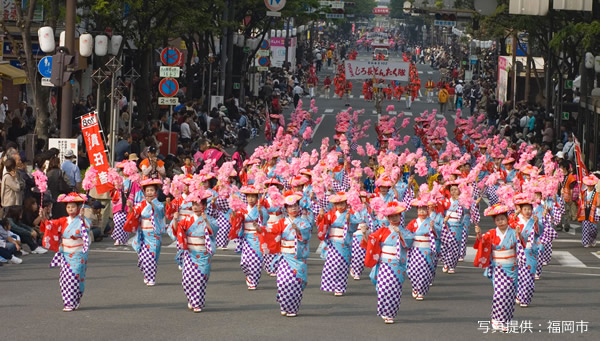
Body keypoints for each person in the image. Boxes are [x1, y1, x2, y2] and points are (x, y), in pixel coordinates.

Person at [474, 204, 524, 333]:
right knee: (500, 294)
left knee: (510, 295)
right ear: (494, 221)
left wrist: (520, 235)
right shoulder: (491, 233)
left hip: (512, 268)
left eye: (502, 219)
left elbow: (521, 246)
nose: (500, 222)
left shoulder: (514, 232)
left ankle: (506, 320)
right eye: (497, 220)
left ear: (508, 219)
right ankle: (496, 318)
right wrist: (479, 235)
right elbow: (482, 243)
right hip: (499, 268)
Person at [261, 191, 311, 317]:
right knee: (282, 282)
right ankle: (284, 305)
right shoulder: (282, 222)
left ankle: (292, 308)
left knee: (295, 283)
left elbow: (306, 235)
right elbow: (271, 232)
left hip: (297, 256)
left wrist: (298, 230)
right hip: (284, 256)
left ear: (299, 207)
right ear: (286, 208)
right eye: (290, 206)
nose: (293, 208)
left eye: (295, 205)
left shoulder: (304, 222)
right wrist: (259, 229)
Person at [362, 201, 413, 324]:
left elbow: (409, 243)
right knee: (383, 289)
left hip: (397, 264)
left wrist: (400, 233)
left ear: (401, 216)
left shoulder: (404, 231)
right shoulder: (382, 230)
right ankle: (385, 311)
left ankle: (391, 314)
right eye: (392, 216)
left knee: (394, 289)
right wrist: (365, 233)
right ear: (388, 217)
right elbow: (371, 241)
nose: (394, 218)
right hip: (384, 264)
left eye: (397, 215)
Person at [40, 192, 91, 311]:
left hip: (78, 253)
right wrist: (43, 216)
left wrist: (83, 218)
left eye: (73, 206)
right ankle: (68, 302)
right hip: (66, 253)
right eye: (68, 207)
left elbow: (86, 230)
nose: (70, 209)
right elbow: (50, 225)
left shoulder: (83, 220)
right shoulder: (63, 220)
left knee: (75, 277)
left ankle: (75, 300)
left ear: (78, 208)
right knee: (65, 279)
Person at [176, 189, 219, 313]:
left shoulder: (209, 219)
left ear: (204, 206)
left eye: (198, 204)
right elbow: (177, 231)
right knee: (186, 280)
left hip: (203, 253)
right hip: (190, 254)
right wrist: (174, 220)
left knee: (200, 279)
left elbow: (214, 232)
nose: (195, 207)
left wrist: (206, 220)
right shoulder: (187, 219)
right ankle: (192, 299)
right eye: (193, 204)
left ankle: (197, 303)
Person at [317, 192, 361, 296]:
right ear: (335, 205)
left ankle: (340, 287)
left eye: (343, 203)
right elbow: (323, 224)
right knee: (331, 265)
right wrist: (321, 216)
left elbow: (354, 226)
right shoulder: (330, 215)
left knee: (342, 265)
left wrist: (349, 220)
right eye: (338, 204)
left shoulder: (349, 214)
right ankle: (331, 285)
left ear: (346, 204)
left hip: (343, 243)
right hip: (333, 243)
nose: (341, 206)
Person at [123, 178, 166, 286]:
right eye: (147, 190)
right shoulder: (141, 204)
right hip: (143, 234)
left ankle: (151, 278)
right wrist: (130, 207)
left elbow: (160, 213)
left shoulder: (159, 204)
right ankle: (147, 275)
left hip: (154, 234)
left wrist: (152, 205)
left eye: (152, 190)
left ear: (155, 192)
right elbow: (134, 216)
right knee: (143, 257)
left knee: (152, 256)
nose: (150, 192)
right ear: (144, 192)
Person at [228, 185, 268, 290]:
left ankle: (253, 281)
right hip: (246, 238)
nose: (251, 199)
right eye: (249, 196)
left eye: (253, 197)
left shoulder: (261, 209)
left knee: (256, 262)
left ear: (257, 198)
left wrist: (259, 212)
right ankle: (249, 276)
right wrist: (233, 213)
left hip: (257, 237)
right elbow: (235, 221)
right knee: (244, 262)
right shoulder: (242, 209)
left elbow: (265, 219)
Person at [578, 175, 599, 248]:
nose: (590, 187)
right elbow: (580, 202)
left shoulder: (597, 194)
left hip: (593, 212)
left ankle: (592, 239)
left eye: (591, 186)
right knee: (585, 227)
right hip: (585, 211)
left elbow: (598, 203)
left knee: (593, 229)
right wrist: (580, 198)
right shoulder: (583, 193)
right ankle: (586, 242)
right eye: (588, 186)